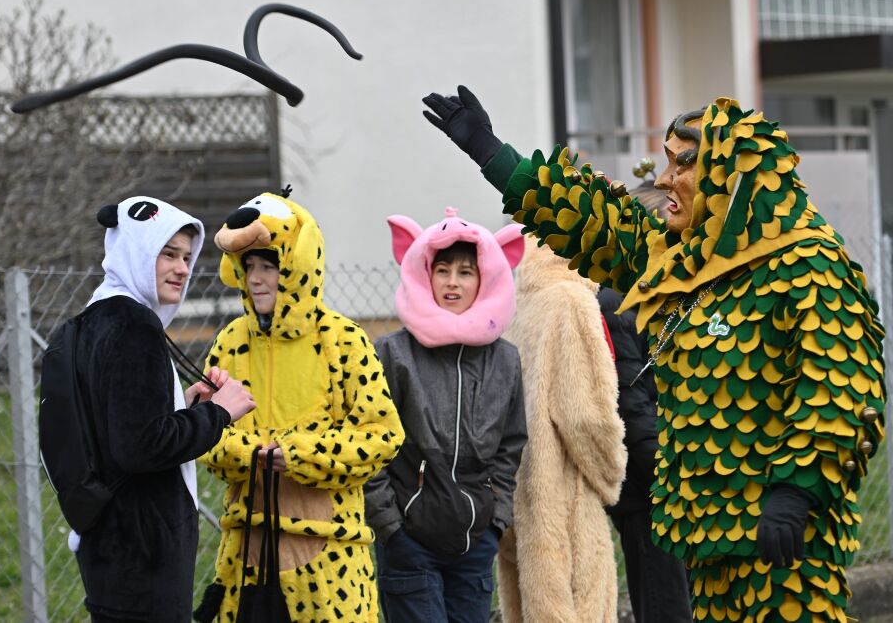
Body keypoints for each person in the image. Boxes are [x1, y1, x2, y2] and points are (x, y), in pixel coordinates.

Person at [423, 88, 886, 622]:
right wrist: (491, 152)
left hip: (782, 546)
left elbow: (843, 389)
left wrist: (795, 493)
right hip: (707, 539)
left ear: (732, 173)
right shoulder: (687, 265)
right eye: (665, 163)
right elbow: (598, 224)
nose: (665, 180)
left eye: (684, 164)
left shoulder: (809, 267)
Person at [194, 191, 404, 623]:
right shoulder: (230, 341)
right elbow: (203, 433)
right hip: (246, 558)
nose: (256, 278)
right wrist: (248, 454)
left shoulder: (344, 341)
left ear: (296, 267)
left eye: (267, 265)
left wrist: (298, 457)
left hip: (331, 566)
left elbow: (382, 435)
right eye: (248, 265)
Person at [73, 195, 256, 623]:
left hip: (110, 543)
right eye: (167, 254)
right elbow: (141, 447)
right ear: (137, 251)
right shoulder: (134, 326)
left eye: (188, 257)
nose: (182, 268)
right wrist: (220, 414)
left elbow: (119, 423)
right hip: (141, 552)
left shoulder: (96, 316)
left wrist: (187, 406)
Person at [364, 207, 527, 623]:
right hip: (409, 541)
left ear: (486, 278)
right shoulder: (393, 354)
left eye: (466, 272)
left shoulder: (505, 360)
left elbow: (510, 447)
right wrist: (390, 527)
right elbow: (371, 442)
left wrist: (496, 523)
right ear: (425, 274)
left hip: (474, 543)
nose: (453, 282)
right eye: (442, 270)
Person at [497, 235, 627, 623]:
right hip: (564, 493)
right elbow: (585, 413)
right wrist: (611, 473)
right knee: (577, 607)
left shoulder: (521, 304)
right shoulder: (572, 300)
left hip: (523, 489)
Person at [597, 181, 693, 623]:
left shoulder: (669, 297)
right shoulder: (615, 303)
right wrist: (667, 471)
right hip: (648, 488)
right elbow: (631, 401)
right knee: (663, 602)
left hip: (678, 482)